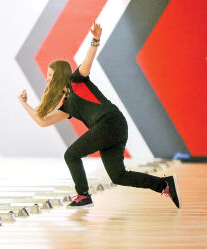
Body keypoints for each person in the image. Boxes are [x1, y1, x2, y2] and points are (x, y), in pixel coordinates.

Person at [18, 21, 180, 209]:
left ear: (60, 75)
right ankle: (164, 185)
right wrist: (24, 104)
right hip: (114, 127)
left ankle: (83, 196)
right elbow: (42, 121)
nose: (47, 78)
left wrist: (95, 39)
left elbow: (87, 61)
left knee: (71, 155)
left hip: (109, 122)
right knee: (119, 176)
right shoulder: (67, 105)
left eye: (49, 74)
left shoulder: (77, 80)